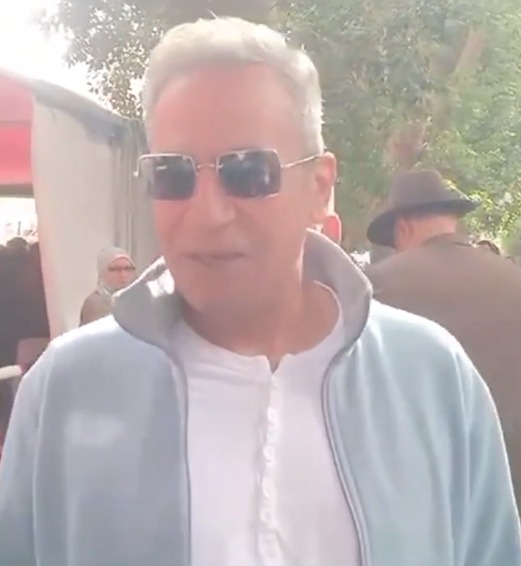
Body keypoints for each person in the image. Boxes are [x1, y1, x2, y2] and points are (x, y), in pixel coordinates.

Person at [0, 18, 519, 566]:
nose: (208, 213)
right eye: (174, 175)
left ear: (319, 186)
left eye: (248, 172)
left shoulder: (431, 377)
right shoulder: (67, 390)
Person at [366, 168, 521, 506]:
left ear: (403, 228)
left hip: (425, 489)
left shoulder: (375, 287)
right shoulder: (513, 278)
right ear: (452, 219)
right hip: (510, 486)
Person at [79, 246, 136, 325]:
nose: (123, 274)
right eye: (115, 269)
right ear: (103, 272)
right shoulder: (96, 303)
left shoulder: (137, 298)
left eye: (128, 268)